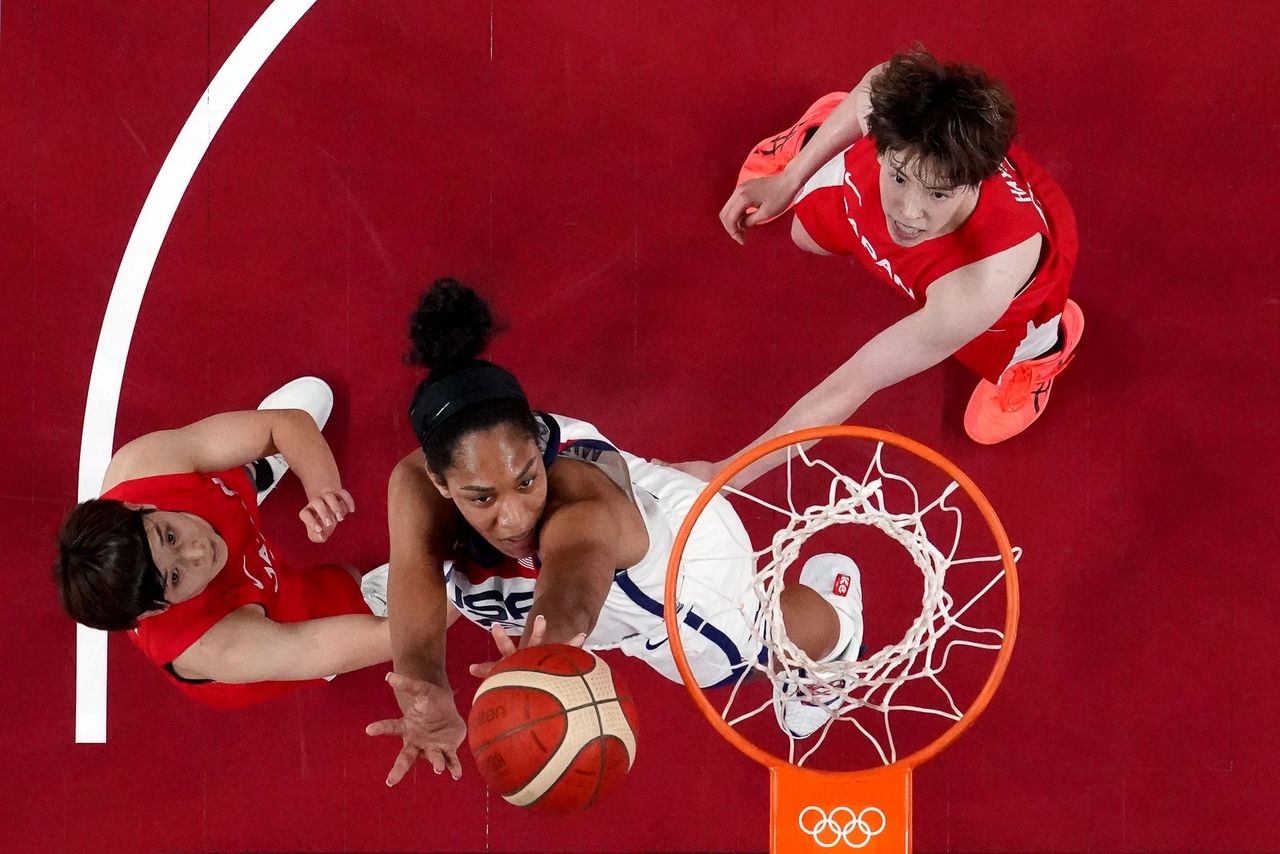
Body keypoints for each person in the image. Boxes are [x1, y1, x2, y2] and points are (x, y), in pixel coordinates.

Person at [365, 280, 863, 785]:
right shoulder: (417, 479)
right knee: (445, 575)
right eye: (482, 497)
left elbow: (570, 592)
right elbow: (416, 565)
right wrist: (424, 689)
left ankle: (838, 629)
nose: (514, 517)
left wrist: (541, 660)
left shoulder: (579, 509)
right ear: (438, 479)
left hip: (675, 571)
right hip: (625, 505)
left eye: (526, 480)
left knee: (747, 660)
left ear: (538, 444)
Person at [680, 46, 1082, 487]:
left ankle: (1046, 350)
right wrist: (790, 178)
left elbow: (854, 382)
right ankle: (827, 126)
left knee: (1018, 332)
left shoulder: (985, 284)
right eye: (900, 178)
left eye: (938, 193)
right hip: (877, 180)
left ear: (973, 180)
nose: (909, 213)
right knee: (805, 236)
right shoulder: (896, 112)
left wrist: (725, 475)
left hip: (996, 292)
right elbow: (879, 80)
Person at [53, 377, 391, 708]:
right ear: (158, 609)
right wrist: (441, 599)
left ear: (139, 506)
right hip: (250, 622)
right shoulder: (220, 648)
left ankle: (254, 469)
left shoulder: (142, 466)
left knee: (234, 462)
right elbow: (319, 648)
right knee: (347, 585)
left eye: (170, 536)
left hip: (212, 506)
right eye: (174, 576)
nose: (199, 550)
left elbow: (286, 424)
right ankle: (369, 602)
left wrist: (323, 490)